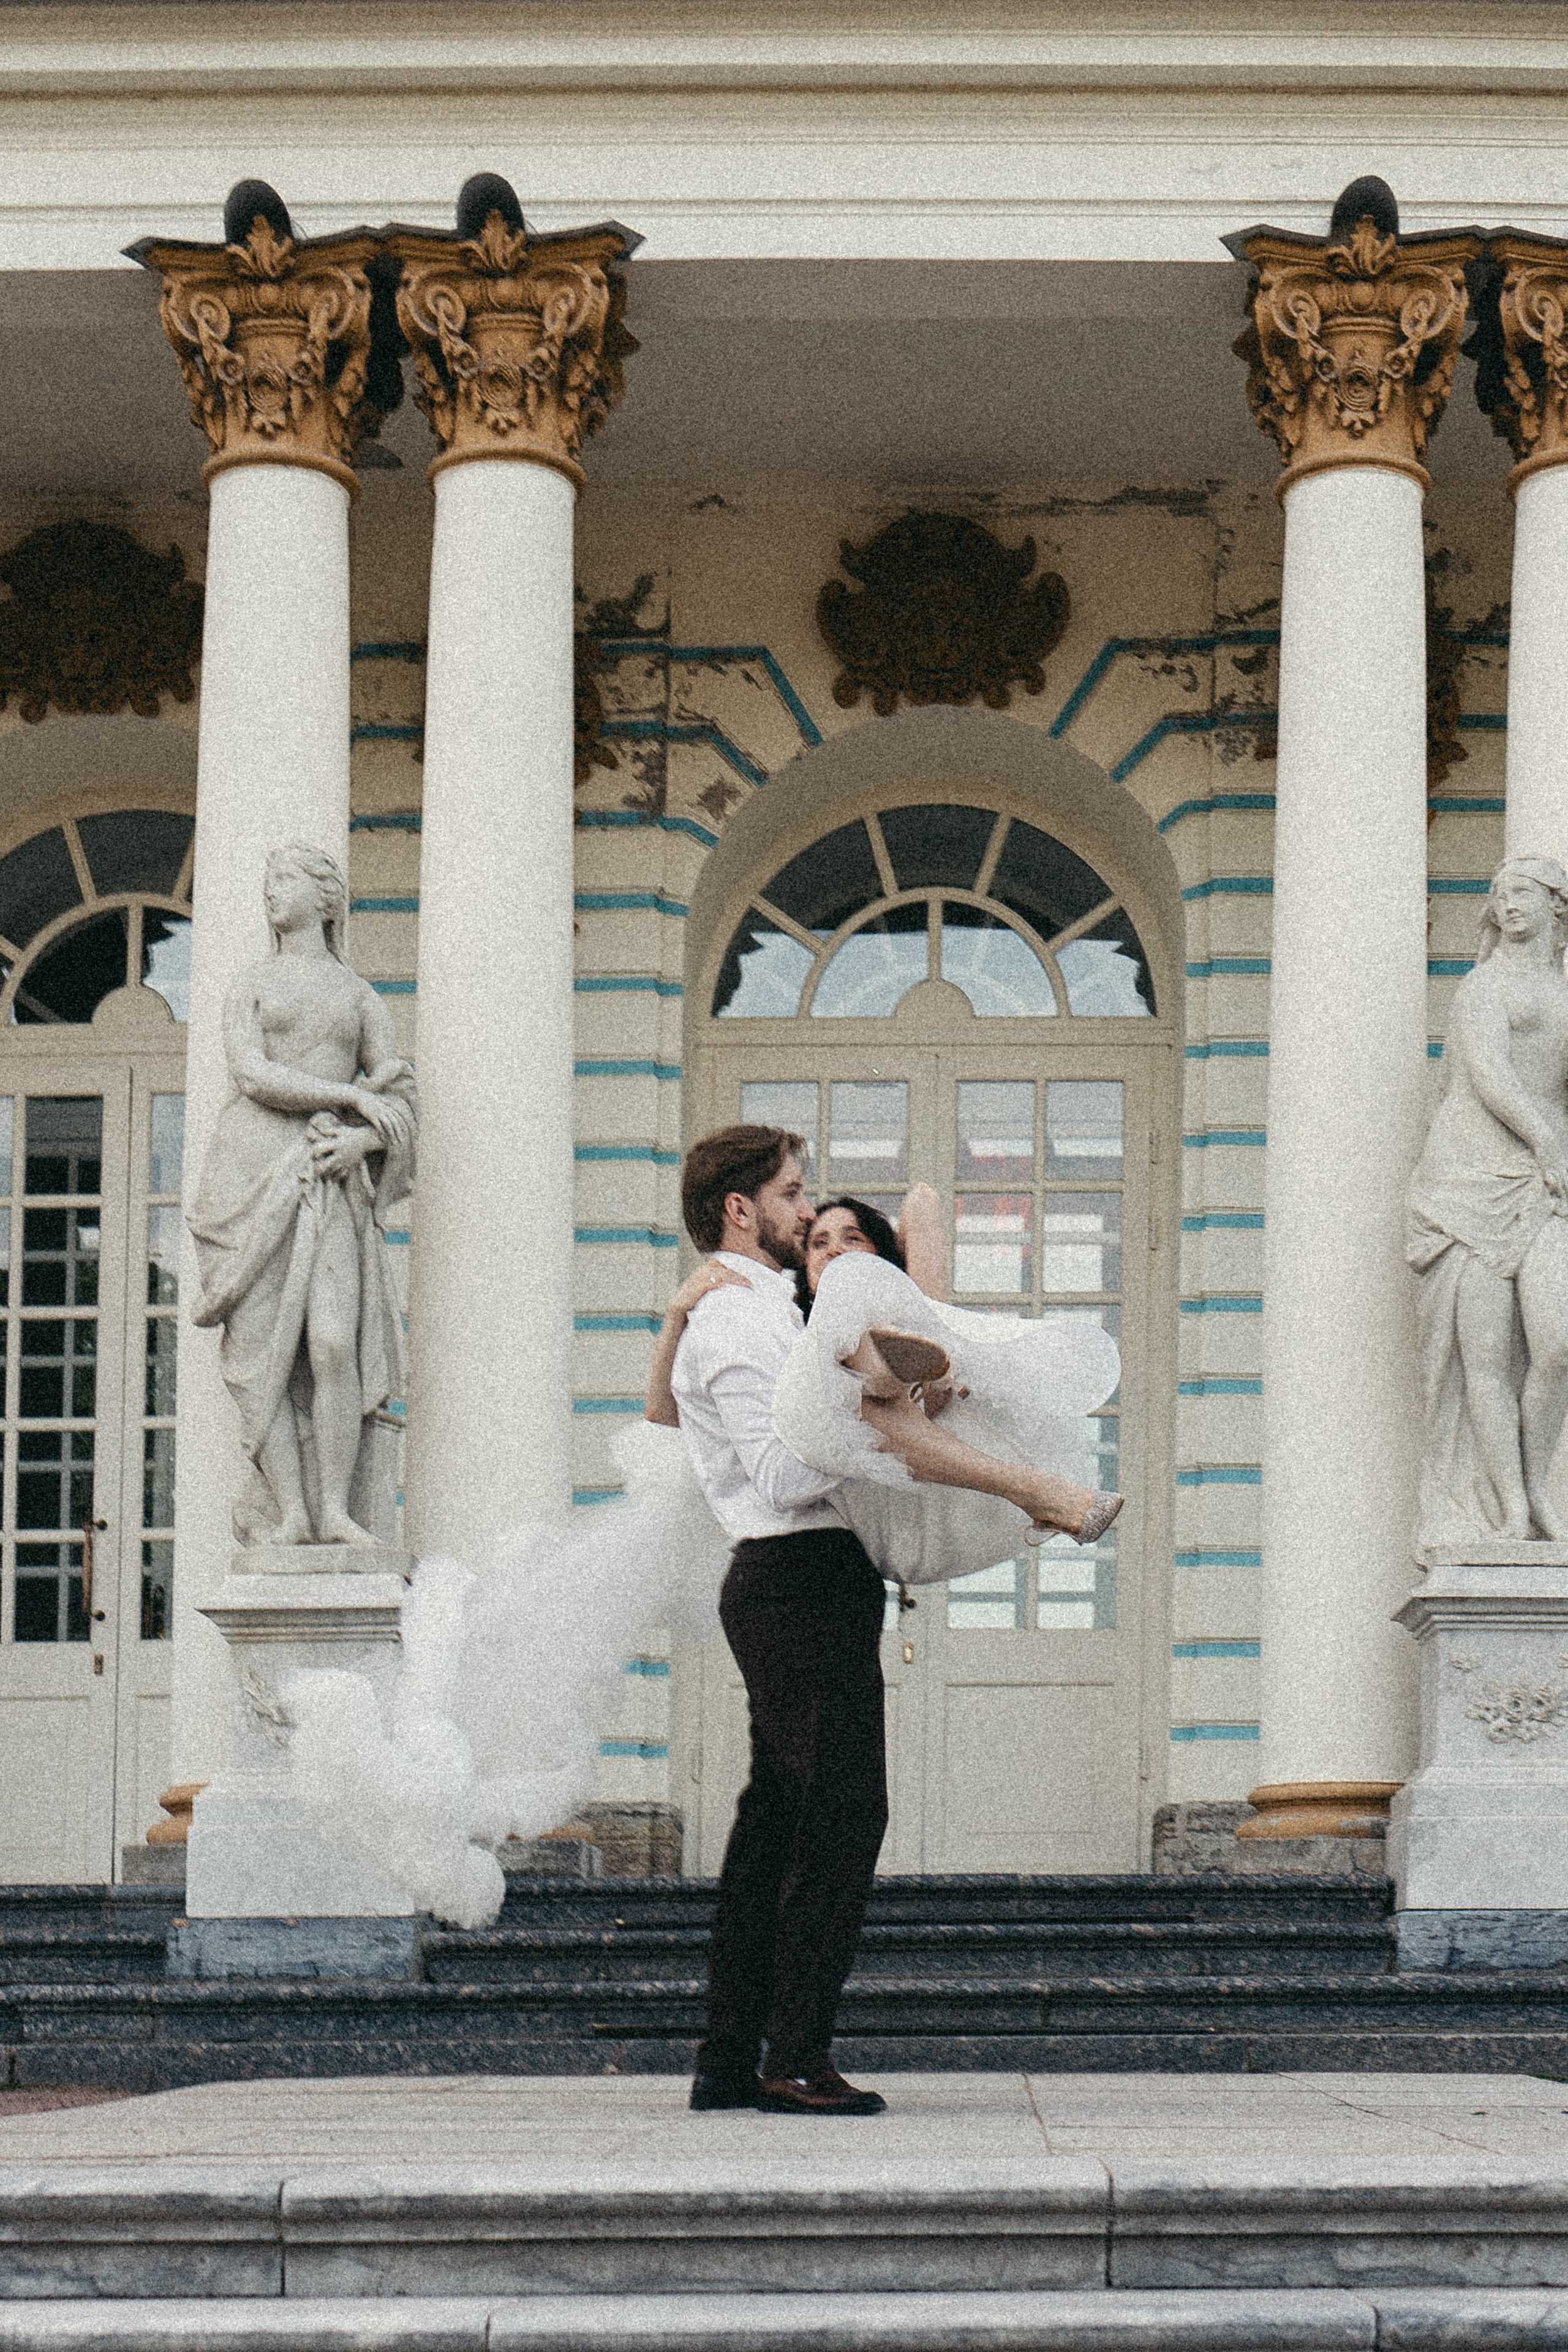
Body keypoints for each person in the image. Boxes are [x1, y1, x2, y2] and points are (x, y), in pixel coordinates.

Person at [187, 842, 417, 1547]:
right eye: (267, 882)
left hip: (328, 1178)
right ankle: (291, 1512)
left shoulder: (357, 994)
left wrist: (362, 1144)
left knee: (332, 1345)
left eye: (284, 880)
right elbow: (252, 1075)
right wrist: (346, 1095)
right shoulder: (251, 985)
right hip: (249, 1173)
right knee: (267, 1359)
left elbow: (400, 1096)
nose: (270, 893)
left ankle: (338, 1510)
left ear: (326, 899)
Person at [1409, 854, 1568, 1542]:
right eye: (1500, 894)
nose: (1509, 904)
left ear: (1557, 908)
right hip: (1471, 1179)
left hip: (1544, 1179)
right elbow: (1490, 1074)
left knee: (1556, 1346)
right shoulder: (1483, 986)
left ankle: (1540, 1485)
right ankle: (1509, 1507)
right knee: (1485, 1357)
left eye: (1524, 893)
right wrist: (1547, 1142)